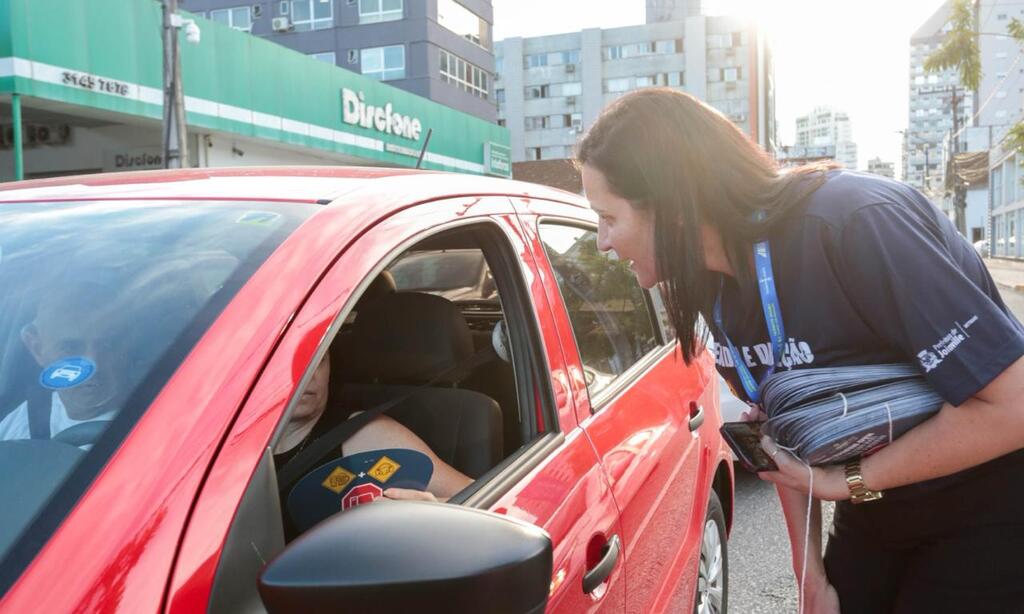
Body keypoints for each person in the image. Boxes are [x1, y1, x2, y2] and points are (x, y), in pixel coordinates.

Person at [575, 88, 1024, 613]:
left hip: (986, 504)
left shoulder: (855, 222)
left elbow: (1013, 407)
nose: (603, 242)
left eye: (608, 218)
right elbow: (782, 439)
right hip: (874, 504)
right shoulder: (714, 286)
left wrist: (847, 480)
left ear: (672, 209)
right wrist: (808, 578)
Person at [273, 352, 472, 506]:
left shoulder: (362, 434)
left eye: (318, 359)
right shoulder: (242, 437)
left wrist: (435, 510)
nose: (309, 373)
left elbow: (485, 499)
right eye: (291, 359)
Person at [0, 281, 128, 444]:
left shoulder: (151, 417)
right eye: (70, 348)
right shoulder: (22, 421)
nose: (93, 364)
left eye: (107, 345)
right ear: (37, 349)